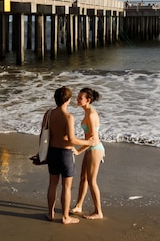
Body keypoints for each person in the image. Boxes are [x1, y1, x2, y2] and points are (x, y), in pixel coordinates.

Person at [43, 86, 93, 224]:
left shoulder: (48, 114)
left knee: (52, 184)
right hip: (66, 154)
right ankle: (65, 217)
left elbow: (43, 135)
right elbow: (71, 139)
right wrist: (87, 141)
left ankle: (50, 213)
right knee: (66, 186)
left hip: (52, 152)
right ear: (68, 100)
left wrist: (40, 153)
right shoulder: (68, 117)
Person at [71, 87, 105, 219]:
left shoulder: (91, 114)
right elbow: (88, 140)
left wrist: (78, 149)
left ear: (88, 100)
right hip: (90, 148)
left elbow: (93, 139)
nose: (77, 99)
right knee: (83, 178)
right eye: (78, 97)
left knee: (92, 181)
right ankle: (79, 206)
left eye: (80, 98)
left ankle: (98, 212)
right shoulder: (86, 112)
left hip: (95, 149)